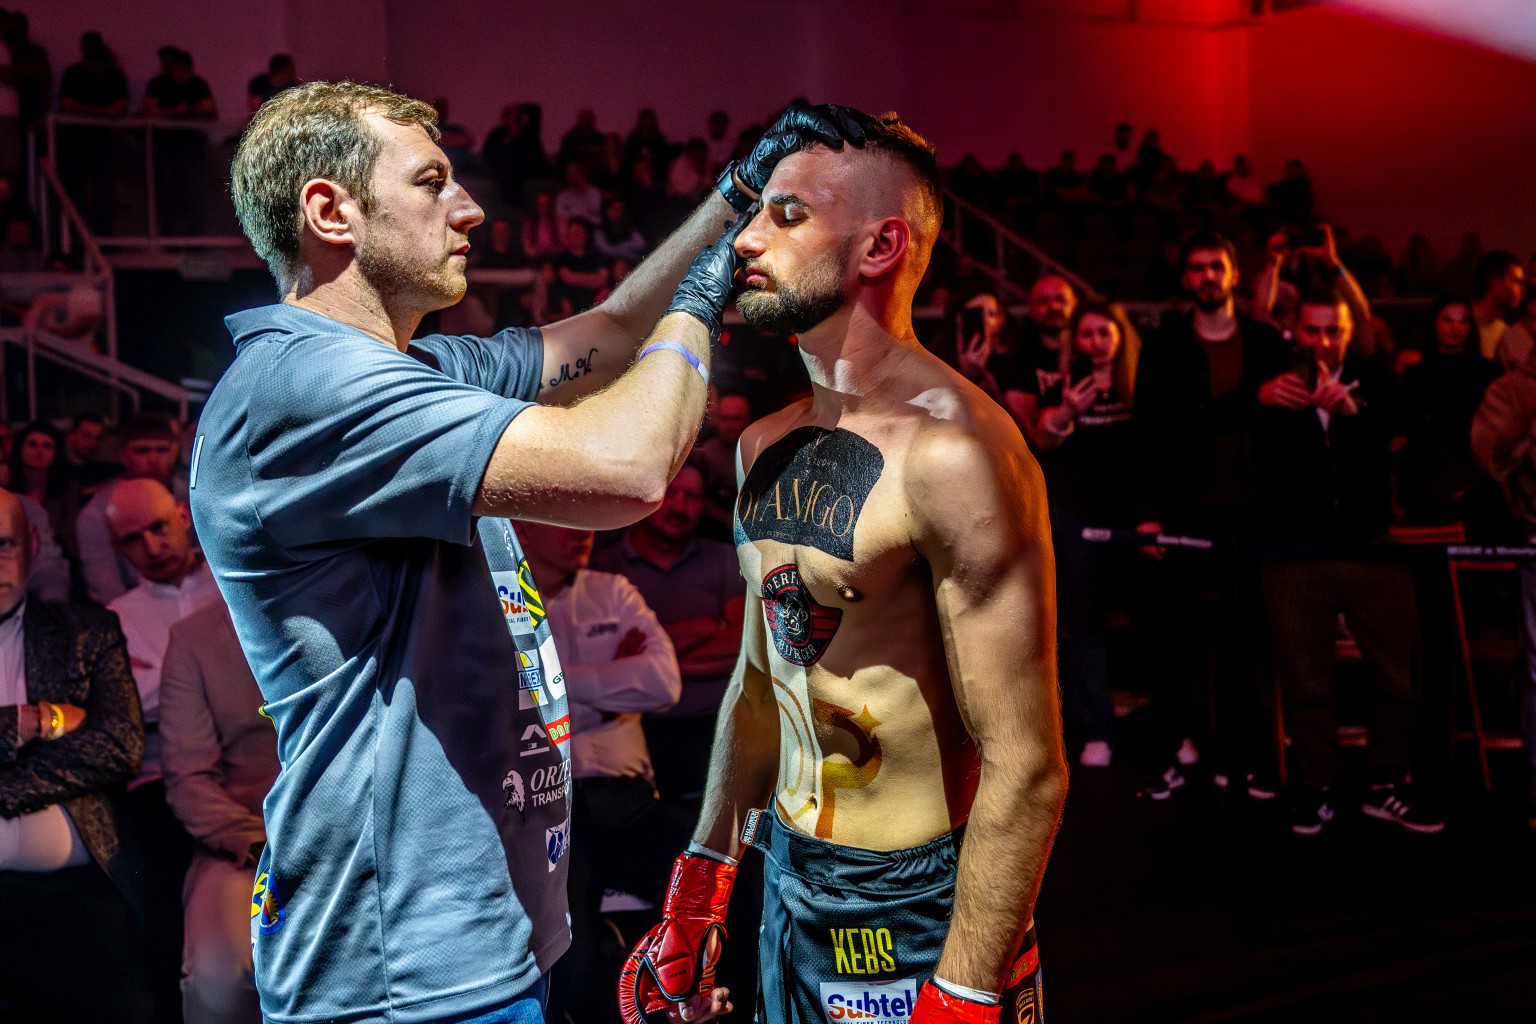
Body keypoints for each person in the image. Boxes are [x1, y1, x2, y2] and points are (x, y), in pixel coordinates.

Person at [190, 82, 865, 1024]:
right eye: (431, 183)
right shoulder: (306, 386)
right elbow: (629, 470)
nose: (469, 209)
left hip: (478, 938)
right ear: (330, 211)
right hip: (403, 973)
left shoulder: (412, 370)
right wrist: (701, 307)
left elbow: (614, 334)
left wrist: (735, 195)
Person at [621, 109, 1064, 1024]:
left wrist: (964, 993)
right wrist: (700, 886)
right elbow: (760, 685)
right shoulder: (761, 444)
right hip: (789, 874)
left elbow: (1027, 764)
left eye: (787, 215)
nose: (745, 239)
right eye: (756, 213)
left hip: (918, 897)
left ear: (880, 247)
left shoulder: (955, 455)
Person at [1253, 290, 1440, 835]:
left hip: (1370, 545)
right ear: (1295, 330)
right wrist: (1259, 400)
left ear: (1348, 331)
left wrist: (1357, 414)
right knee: (1305, 678)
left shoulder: (1375, 377)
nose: (1323, 342)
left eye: (1332, 330)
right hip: (1293, 551)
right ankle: (1317, 785)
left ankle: (1387, 782)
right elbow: (1235, 441)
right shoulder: (1274, 380)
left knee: (1398, 674)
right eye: (1312, 331)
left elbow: (1414, 431)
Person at [518, 520, 691, 1024]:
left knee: (727, 879)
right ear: (523, 530)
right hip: (549, 809)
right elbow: (497, 702)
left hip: (629, 799)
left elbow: (664, 683)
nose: (584, 530)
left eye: (586, 521)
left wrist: (549, 687)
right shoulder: (500, 603)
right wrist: (613, 681)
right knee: (570, 959)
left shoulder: (613, 590)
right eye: (564, 521)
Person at [1133, 230, 1285, 800]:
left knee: (1247, 638)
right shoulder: (1165, 345)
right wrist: (1147, 514)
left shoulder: (1266, 341)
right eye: (1196, 268)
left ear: (1234, 273)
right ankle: (1179, 749)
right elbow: (1149, 433)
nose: (1207, 276)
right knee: (1179, 640)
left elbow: (1286, 429)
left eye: (1216, 266)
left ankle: (1242, 755)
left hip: (1255, 512)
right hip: (1185, 510)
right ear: (1185, 279)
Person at [0, 490, 154, 1023]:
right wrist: (34, 722)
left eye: (3, 544)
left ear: (33, 544)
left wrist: (6, 788)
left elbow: (119, 746)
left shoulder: (86, 633)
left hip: (77, 892)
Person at [106, 477, 224, 1022]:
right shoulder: (115, 616)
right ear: (116, 547)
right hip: (159, 782)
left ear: (182, 514)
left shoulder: (230, 577)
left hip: (258, 761)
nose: (151, 546)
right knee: (159, 892)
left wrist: (162, 679)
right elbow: (127, 706)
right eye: (133, 538)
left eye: (158, 526)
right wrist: (213, 678)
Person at [592, 463, 745, 802]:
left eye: (692, 497)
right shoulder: (604, 567)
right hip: (630, 730)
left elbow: (741, 645)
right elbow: (604, 658)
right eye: (670, 494)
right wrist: (706, 627)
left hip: (714, 727)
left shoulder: (724, 559)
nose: (680, 506)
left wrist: (651, 666)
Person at [160, 598, 280, 1024]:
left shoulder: (350, 603)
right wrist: (257, 844)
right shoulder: (194, 639)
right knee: (219, 973)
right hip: (247, 842)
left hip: (355, 830)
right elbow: (189, 779)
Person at [1032, 300, 1140, 767]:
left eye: (1104, 333)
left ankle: (1166, 731)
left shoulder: (1137, 385)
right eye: (1087, 334)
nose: (1095, 343)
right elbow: (1045, 437)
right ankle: (1098, 728)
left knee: (1148, 619)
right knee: (1083, 622)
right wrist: (1067, 409)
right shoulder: (1063, 385)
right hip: (1077, 519)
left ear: (1119, 338)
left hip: (1131, 518)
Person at [76, 413, 188, 605]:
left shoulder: (194, 497)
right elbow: (108, 590)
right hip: (138, 610)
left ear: (174, 452)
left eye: (162, 450)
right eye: (142, 451)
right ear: (124, 457)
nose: (153, 459)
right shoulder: (97, 514)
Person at [1471, 250, 1526, 361]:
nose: (1522, 290)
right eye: (1516, 281)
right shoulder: (1460, 321)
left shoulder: (1507, 332)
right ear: (1494, 281)